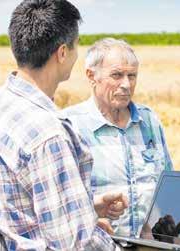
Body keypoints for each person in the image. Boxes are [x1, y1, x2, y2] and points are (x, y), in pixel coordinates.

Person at [0, 1, 127, 250]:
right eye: (76, 47)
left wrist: (88, 209)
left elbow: (21, 206)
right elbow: (72, 244)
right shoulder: (49, 135)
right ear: (62, 53)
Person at [62, 38, 173, 238]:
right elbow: (60, 201)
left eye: (132, 76)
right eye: (117, 75)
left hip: (152, 245)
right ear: (91, 75)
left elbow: (169, 186)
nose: (126, 85)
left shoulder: (149, 121)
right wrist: (93, 214)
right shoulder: (70, 125)